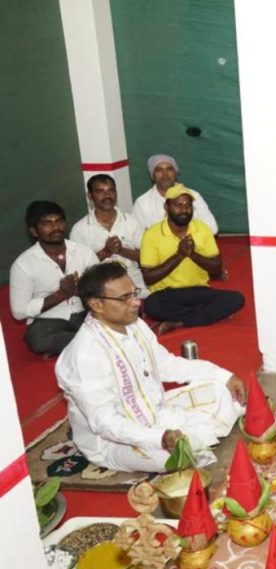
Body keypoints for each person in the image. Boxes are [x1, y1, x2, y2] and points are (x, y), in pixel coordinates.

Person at [56, 262, 246, 472]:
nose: (136, 302)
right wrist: (159, 437)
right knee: (177, 456)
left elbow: (168, 364)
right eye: (124, 298)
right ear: (96, 305)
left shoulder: (135, 325)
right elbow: (105, 422)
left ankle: (188, 434)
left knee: (220, 389)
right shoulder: (84, 356)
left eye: (134, 293)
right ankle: (183, 440)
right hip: (113, 441)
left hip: (156, 409)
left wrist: (224, 375)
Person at [140, 186, 244, 334]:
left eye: (188, 205)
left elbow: (216, 268)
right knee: (151, 306)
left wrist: (192, 254)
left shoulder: (202, 229)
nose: (184, 209)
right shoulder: (152, 234)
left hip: (198, 290)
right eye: (178, 205)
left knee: (236, 299)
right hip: (166, 294)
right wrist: (179, 255)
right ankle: (202, 314)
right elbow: (149, 278)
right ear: (166, 207)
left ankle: (179, 321)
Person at [10, 201, 99, 355]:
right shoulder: (23, 264)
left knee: (117, 315)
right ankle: (97, 342)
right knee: (38, 340)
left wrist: (78, 290)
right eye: (47, 223)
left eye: (59, 221)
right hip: (49, 319)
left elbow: (102, 286)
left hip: (84, 311)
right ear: (34, 231)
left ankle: (78, 344)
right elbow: (19, 311)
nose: (56, 227)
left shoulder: (84, 252)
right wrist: (61, 295)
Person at [70, 174, 148, 297]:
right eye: (100, 191)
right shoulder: (80, 229)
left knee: (146, 302)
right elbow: (79, 268)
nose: (107, 196)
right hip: (99, 282)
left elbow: (146, 256)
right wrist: (106, 251)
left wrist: (121, 250)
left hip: (131, 276)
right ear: (90, 196)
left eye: (110, 190)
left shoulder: (131, 222)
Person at [133, 154, 219, 233]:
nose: (165, 174)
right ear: (152, 176)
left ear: (176, 173)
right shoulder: (142, 203)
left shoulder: (193, 196)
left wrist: (183, 236)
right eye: (159, 170)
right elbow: (137, 238)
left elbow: (212, 229)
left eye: (169, 169)